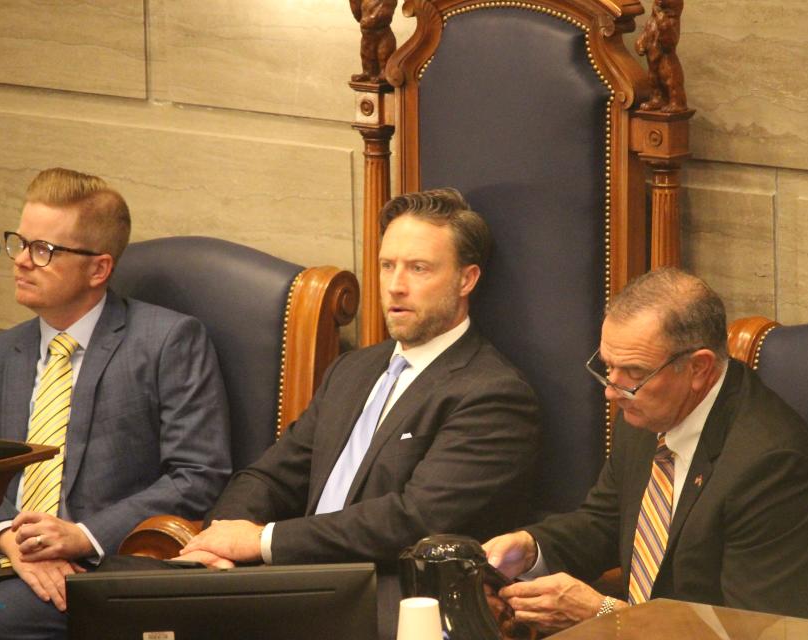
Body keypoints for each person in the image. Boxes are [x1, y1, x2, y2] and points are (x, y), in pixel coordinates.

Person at [177, 188, 540, 637]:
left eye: (419, 268)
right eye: (388, 265)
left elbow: (414, 519)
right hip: (290, 584)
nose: (395, 285)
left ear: (466, 280)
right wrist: (221, 541)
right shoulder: (354, 369)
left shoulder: (492, 394)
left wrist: (262, 541)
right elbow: (271, 476)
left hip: (385, 602)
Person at [484, 267, 808, 633]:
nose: (612, 390)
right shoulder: (647, 409)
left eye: (633, 373)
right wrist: (530, 547)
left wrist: (606, 615)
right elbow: (605, 521)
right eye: (607, 366)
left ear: (698, 368)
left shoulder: (773, 467)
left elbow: (748, 630)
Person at [0, 168, 232, 638]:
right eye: (20, 243)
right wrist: (6, 536)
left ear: (98, 268)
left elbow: (198, 475)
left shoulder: (167, 342)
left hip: (90, 565)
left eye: (44, 251)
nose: (21, 262)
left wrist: (81, 535)